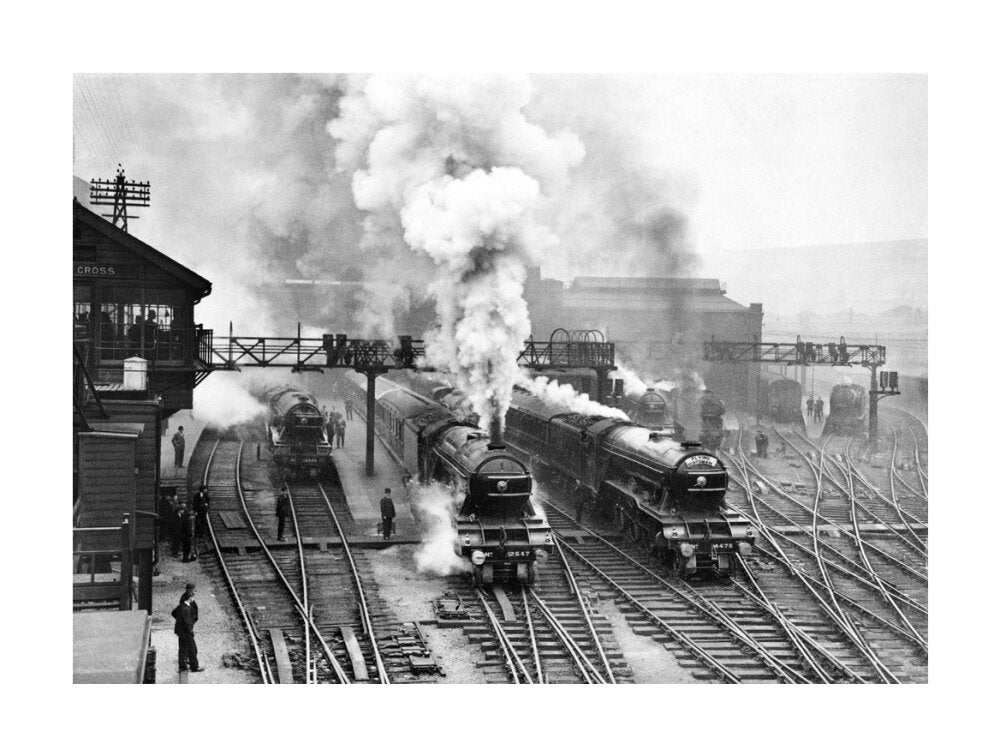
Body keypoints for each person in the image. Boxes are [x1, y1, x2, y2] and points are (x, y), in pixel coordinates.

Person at [171, 583, 204, 672]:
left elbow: (174, 613)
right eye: (194, 591)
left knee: (182, 649)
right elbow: (186, 620)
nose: (194, 595)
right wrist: (189, 628)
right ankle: (195, 667)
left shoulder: (182, 605)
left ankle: (182, 667)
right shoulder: (185, 608)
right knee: (192, 649)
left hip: (181, 631)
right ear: (189, 597)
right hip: (186, 631)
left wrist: (180, 622)